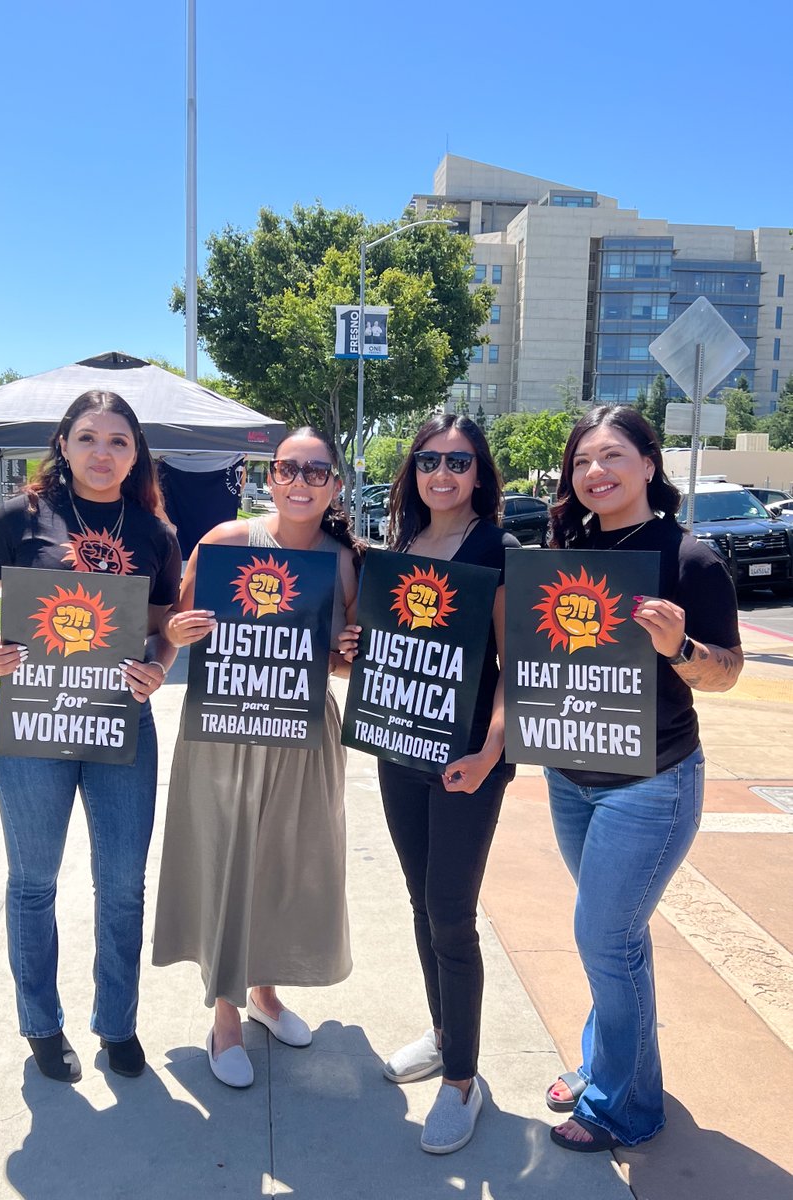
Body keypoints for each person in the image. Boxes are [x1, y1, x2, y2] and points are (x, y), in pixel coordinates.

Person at [0, 390, 181, 1084]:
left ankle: (117, 1023)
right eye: (88, 438)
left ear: (136, 452)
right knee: (33, 882)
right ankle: (42, 1025)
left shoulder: (155, 534)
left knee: (121, 885)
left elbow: (163, 624)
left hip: (119, 720)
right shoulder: (19, 518)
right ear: (63, 443)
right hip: (31, 720)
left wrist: (158, 668)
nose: (102, 452)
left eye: (118, 440)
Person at [543, 405, 742, 1152]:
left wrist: (678, 645)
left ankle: (626, 1105)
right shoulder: (568, 548)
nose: (596, 472)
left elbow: (725, 673)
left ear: (649, 465)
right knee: (615, 936)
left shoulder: (688, 558)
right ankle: (609, 1063)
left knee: (604, 934)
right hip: (573, 772)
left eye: (613, 456)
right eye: (582, 461)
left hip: (651, 782)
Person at [152, 427, 359, 1088]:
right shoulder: (226, 542)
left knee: (284, 866)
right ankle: (224, 1018)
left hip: (302, 735)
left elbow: (334, 661)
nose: (300, 481)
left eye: (316, 471)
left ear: (335, 483)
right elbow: (175, 626)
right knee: (229, 861)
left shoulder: (344, 559)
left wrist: (350, 654)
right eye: (288, 469)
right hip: (225, 730)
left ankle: (266, 997)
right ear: (268, 478)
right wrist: (174, 632)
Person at [339, 413, 518, 1155]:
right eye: (429, 460)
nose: (442, 473)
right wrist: (356, 645)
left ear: (480, 473)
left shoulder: (497, 550)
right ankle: (446, 1035)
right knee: (420, 903)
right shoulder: (403, 547)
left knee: (451, 913)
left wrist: (489, 753)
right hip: (399, 746)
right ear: (413, 470)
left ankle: (462, 1084)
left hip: (467, 761)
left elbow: (518, 671)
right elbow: (384, 647)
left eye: (459, 460)